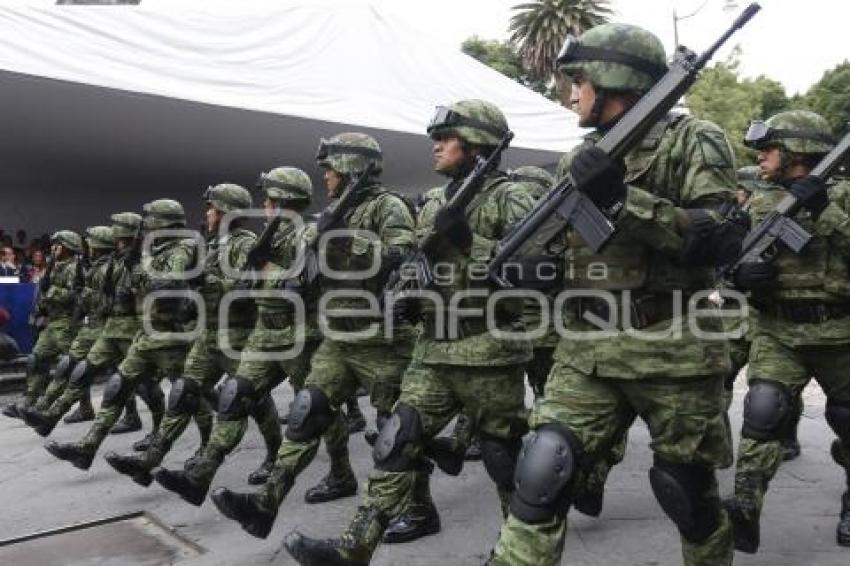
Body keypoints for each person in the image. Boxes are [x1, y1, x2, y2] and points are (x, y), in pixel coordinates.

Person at [488, 23, 741, 566]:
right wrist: (537, 275)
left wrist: (623, 199)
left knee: (687, 495)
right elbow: (568, 253)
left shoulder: (693, 139)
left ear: (612, 79)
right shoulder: (578, 157)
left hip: (673, 347)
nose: (569, 93)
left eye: (577, 80)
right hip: (588, 348)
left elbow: (719, 238)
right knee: (541, 470)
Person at [283, 100, 537, 565]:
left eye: (446, 139)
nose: (435, 147)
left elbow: (535, 275)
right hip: (433, 345)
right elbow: (417, 266)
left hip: (490, 346)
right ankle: (355, 545)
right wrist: (404, 292)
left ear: (477, 145)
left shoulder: (511, 196)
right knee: (396, 437)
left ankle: (516, 549)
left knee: (503, 457)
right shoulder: (436, 201)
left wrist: (468, 242)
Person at [209, 133, 425, 544]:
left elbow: (403, 260)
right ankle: (266, 502)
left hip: (383, 338)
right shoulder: (329, 214)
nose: (324, 176)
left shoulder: (388, 206)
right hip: (338, 336)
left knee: (395, 431)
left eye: (330, 168)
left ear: (350, 167)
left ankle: (419, 509)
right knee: (307, 410)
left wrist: (340, 238)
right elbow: (305, 276)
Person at [154, 167, 324, 501]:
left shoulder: (308, 235)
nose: (265, 205)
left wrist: (258, 271)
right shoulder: (265, 238)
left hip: (299, 334)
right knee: (234, 396)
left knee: (315, 413)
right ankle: (201, 475)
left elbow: (304, 283)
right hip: (263, 332)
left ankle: (340, 471)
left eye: (271, 199)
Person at [724, 110, 850, 552]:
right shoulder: (762, 203)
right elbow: (731, 265)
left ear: (795, 152)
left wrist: (826, 210)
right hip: (779, 329)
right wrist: (740, 279)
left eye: (769, 148)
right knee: (763, 408)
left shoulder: (846, 197)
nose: (760, 156)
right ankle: (744, 504)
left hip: (842, 332)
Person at [104, 183, 259, 487]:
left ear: (226, 212)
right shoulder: (212, 243)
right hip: (208, 333)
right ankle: (150, 461)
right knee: (182, 394)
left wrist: (204, 280)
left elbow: (244, 287)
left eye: (212, 208)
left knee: (246, 405)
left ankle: (273, 454)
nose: (208, 212)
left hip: (236, 335)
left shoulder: (245, 243)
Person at [44, 200, 195, 470]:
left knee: (192, 399)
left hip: (170, 337)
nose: (144, 226)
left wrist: (137, 267)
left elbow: (168, 285)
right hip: (144, 335)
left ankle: (205, 450)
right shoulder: (141, 255)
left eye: (149, 220)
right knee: (117, 387)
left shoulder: (181, 250)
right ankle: (87, 447)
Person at [23, 213, 150, 438]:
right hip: (97, 326)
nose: (88, 246)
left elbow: (109, 300)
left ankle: (142, 418)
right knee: (74, 368)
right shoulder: (98, 266)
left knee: (136, 382)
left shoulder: (125, 264)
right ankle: (46, 411)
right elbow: (91, 300)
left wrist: (77, 294)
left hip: (121, 327)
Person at [3, 230, 83, 418]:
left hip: (66, 321)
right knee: (35, 359)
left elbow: (75, 294)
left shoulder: (75, 268)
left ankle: (85, 406)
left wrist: (50, 293)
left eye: (58, 245)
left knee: (72, 365)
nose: (54, 248)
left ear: (68, 247)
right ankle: (30, 401)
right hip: (51, 321)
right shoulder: (53, 266)